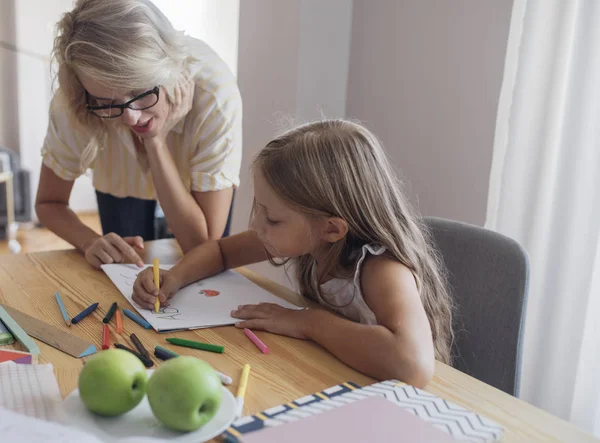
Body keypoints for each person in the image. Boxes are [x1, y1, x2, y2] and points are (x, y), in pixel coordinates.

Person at [132, 120, 453, 386]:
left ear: (332, 229)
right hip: (334, 376)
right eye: (259, 207)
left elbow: (412, 367)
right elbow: (219, 251)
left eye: (271, 217)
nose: (256, 224)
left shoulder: (382, 269)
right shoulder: (307, 234)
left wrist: (308, 323)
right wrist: (173, 277)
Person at [35, 0, 242, 269]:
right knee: (126, 266)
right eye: (106, 102)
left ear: (165, 70)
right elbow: (48, 202)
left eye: (139, 91)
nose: (130, 117)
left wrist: (155, 140)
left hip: (198, 202)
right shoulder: (77, 103)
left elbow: (202, 247)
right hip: (122, 185)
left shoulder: (216, 96)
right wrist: (89, 241)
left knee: (204, 274)